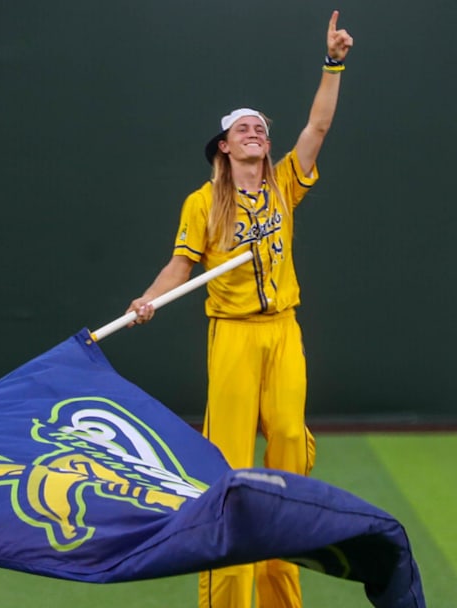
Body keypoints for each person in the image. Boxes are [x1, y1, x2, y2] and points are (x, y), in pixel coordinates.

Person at [127, 11, 353, 608]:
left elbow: (320, 126)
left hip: (283, 332)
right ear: (224, 146)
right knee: (228, 473)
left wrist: (333, 63)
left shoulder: (283, 185)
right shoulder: (202, 204)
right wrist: (149, 299)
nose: (257, 131)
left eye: (261, 127)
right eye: (244, 128)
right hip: (231, 336)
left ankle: (282, 595)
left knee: (286, 448)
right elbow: (181, 268)